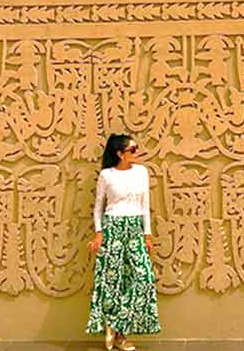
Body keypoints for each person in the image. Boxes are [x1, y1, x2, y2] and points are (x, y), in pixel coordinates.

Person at [86, 134, 161, 350]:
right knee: (113, 281)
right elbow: (98, 207)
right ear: (120, 154)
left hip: (135, 230)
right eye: (133, 149)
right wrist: (99, 233)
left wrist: (147, 235)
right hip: (112, 228)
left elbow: (144, 205)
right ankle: (118, 335)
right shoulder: (106, 175)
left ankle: (117, 324)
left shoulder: (141, 173)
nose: (138, 152)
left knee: (142, 278)